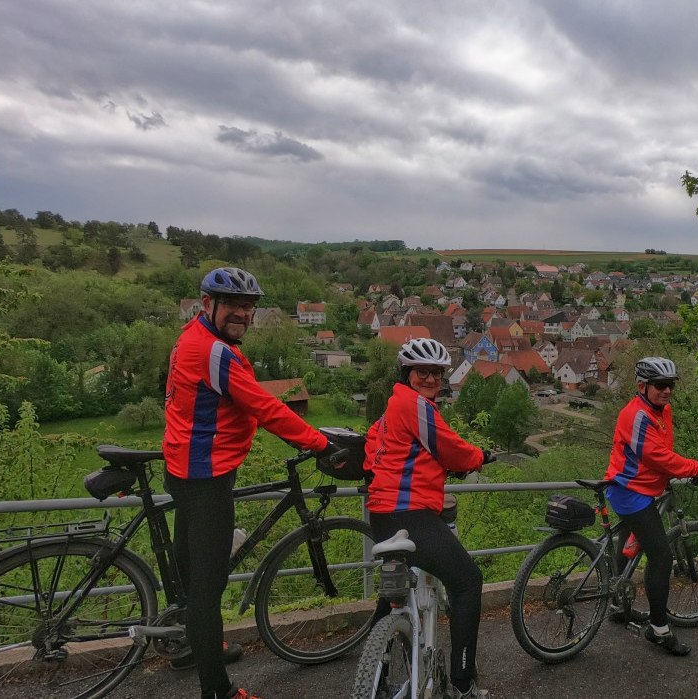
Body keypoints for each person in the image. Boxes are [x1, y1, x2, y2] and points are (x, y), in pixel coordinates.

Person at [163, 266, 339, 699]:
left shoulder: (192, 337)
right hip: (205, 478)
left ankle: (195, 643)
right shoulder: (214, 352)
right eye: (233, 305)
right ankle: (217, 691)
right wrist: (320, 444)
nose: (242, 313)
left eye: (248, 306)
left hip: (185, 468)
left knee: (191, 575)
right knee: (207, 589)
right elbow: (265, 406)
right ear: (208, 304)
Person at [364, 338, 494, 698]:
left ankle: (373, 679)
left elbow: (378, 450)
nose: (431, 379)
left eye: (437, 373)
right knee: (467, 581)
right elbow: (450, 447)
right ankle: (463, 685)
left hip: (382, 514)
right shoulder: (416, 404)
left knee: (393, 594)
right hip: (412, 515)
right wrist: (479, 457)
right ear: (407, 374)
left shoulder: (390, 410)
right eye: (423, 371)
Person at [602, 356, 698, 656]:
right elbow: (657, 456)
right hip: (631, 492)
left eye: (671, 385)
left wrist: (671, 473)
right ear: (642, 385)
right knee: (662, 556)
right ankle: (658, 629)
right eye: (660, 385)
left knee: (627, 543)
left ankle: (618, 604)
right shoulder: (637, 415)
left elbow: (661, 451)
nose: (667, 390)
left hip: (636, 487)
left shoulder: (661, 410)